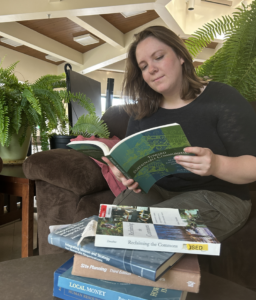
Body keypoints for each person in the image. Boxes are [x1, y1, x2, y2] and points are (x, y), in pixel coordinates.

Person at [102, 26, 256, 242]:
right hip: (162, 191)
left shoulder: (222, 98)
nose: (151, 69)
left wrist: (216, 165)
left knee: (150, 230)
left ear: (181, 56)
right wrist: (127, 173)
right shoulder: (141, 113)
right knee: (111, 225)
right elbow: (137, 169)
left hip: (221, 198)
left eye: (158, 57)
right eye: (144, 66)